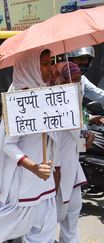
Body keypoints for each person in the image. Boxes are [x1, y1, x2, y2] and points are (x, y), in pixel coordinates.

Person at [0, 49, 58, 243]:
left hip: (43, 180)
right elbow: (9, 145)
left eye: (51, 63)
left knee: (46, 227)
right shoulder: (20, 100)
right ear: (31, 67)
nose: (51, 69)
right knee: (10, 224)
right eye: (46, 64)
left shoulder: (45, 95)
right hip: (27, 181)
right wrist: (34, 167)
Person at [52, 61, 89, 243]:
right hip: (55, 174)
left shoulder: (76, 103)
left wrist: (85, 138)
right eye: (73, 80)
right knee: (47, 221)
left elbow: (77, 142)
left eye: (79, 79)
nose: (77, 84)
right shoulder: (52, 108)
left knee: (73, 216)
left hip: (72, 171)